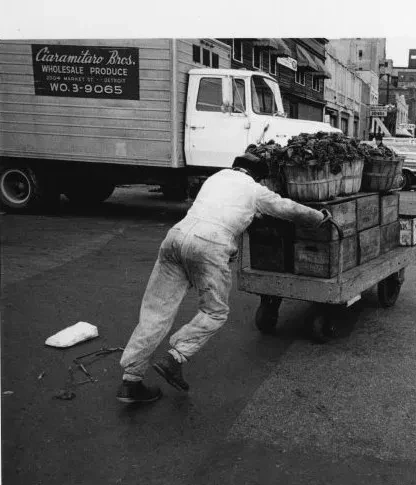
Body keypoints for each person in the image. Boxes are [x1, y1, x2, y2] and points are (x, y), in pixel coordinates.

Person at [116, 153, 332, 404]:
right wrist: (319, 217)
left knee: (156, 310)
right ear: (257, 176)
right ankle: (175, 357)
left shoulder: (215, 178)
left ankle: (131, 381)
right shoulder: (254, 189)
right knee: (215, 311)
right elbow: (287, 208)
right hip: (210, 245)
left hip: (175, 237)